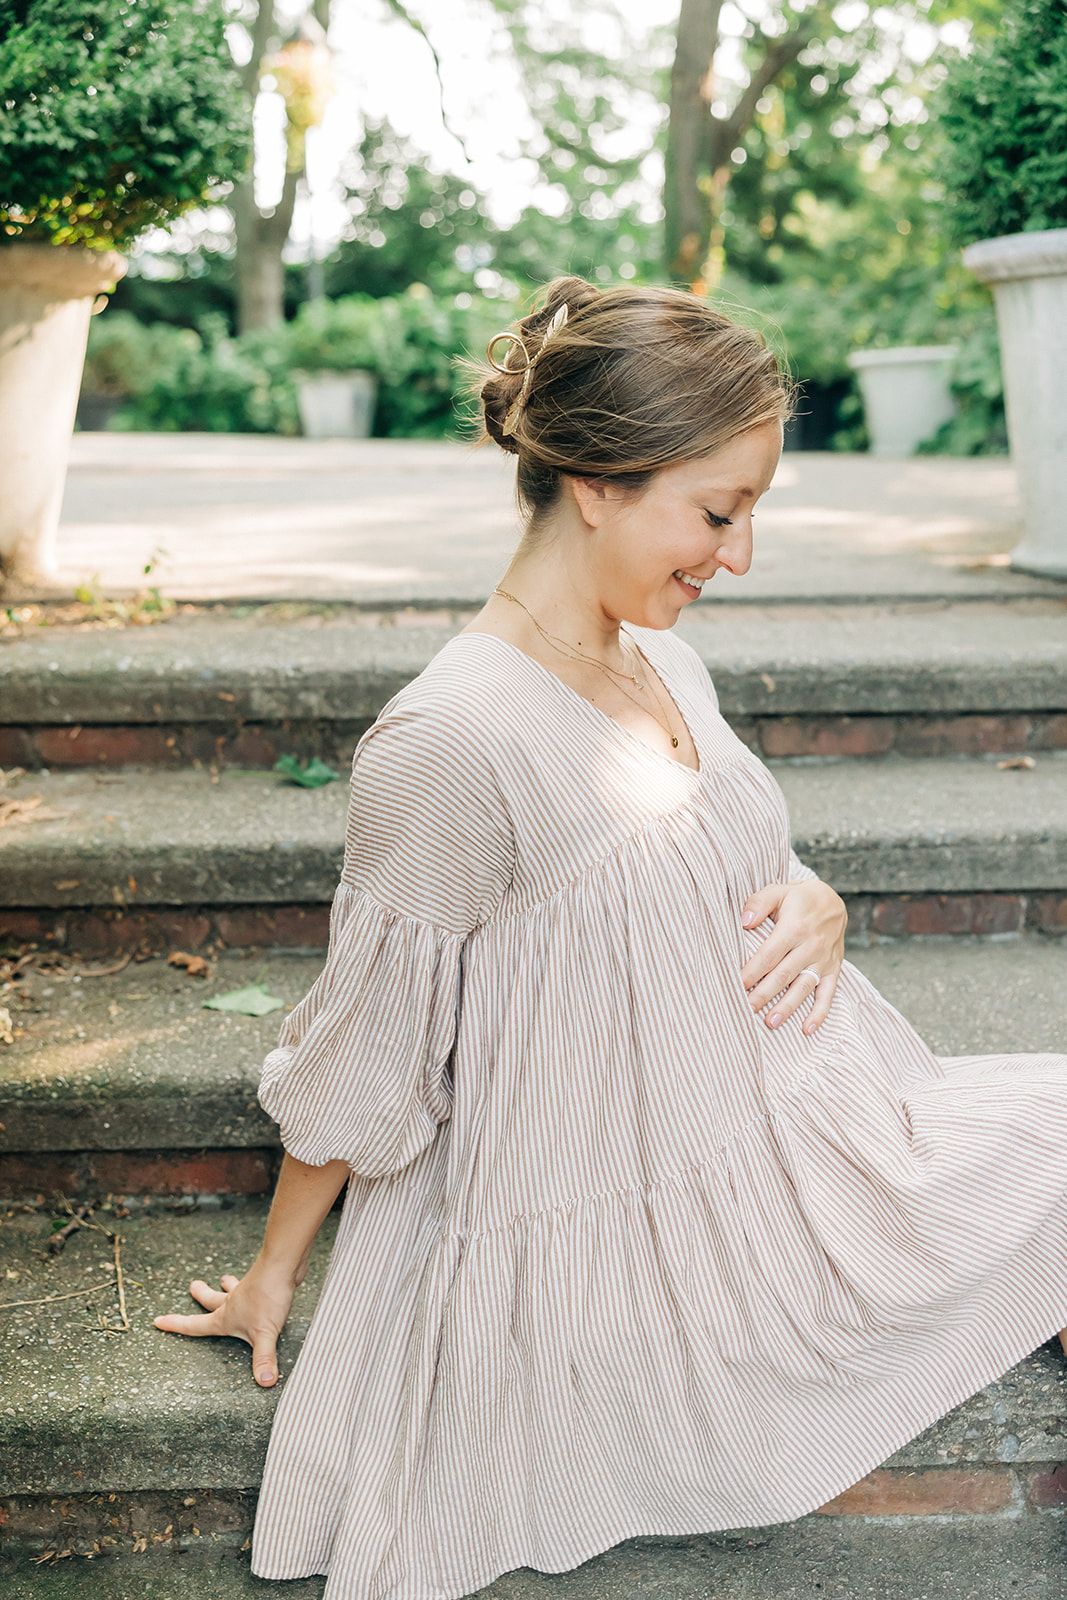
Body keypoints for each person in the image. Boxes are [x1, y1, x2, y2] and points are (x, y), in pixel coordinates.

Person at [153, 275, 1067, 1600]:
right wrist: (272, 1274)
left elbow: (717, 854)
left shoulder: (662, 654)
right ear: (595, 480)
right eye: (718, 510)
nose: (739, 556)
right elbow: (370, 1052)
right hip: (666, 1193)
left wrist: (821, 897)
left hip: (839, 1116)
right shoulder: (456, 740)